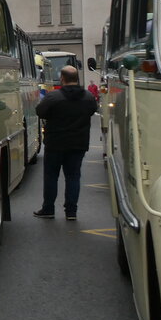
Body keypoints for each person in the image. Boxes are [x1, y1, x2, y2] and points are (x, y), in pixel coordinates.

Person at [33, 65, 98, 221]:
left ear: (62, 78)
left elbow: (40, 112)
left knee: (51, 176)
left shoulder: (53, 97)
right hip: (78, 143)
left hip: (55, 143)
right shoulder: (88, 97)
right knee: (73, 177)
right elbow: (92, 110)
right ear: (77, 78)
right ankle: (71, 212)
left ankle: (48, 208)